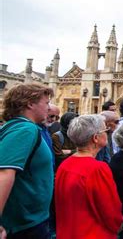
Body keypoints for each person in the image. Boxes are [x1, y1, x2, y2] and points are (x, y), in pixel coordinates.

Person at [55, 115, 123, 238]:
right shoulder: (97, 169)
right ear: (95, 138)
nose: (107, 133)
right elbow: (111, 211)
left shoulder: (65, 165)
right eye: (105, 130)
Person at [0, 83, 54, 238]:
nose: (49, 108)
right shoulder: (25, 129)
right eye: (46, 103)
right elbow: (4, 171)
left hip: (31, 220)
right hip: (26, 225)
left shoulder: (21, 127)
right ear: (30, 103)